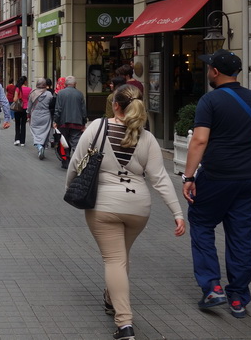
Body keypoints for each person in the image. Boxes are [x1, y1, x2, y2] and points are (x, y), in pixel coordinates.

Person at [66, 84, 185, 340]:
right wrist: (177, 212)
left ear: (115, 105)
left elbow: (76, 164)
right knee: (121, 257)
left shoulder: (97, 127)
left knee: (114, 260)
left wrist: (70, 188)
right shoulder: (147, 138)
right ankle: (111, 299)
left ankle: (125, 324)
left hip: (104, 205)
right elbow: (160, 178)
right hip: (138, 208)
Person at [182, 49, 251, 318]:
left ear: (215, 72)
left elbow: (200, 140)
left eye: (209, 68)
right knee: (241, 234)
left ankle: (212, 288)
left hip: (218, 175)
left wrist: (188, 177)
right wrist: (246, 141)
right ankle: (238, 297)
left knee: (201, 223)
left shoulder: (210, 101)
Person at [53, 75, 87, 168]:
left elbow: (58, 109)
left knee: (64, 142)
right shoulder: (79, 94)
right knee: (75, 142)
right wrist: (84, 122)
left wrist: (56, 121)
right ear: (75, 84)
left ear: (65, 84)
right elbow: (83, 110)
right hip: (77, 122)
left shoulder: (60, 93)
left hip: (63, 122)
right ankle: (77, 162)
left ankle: (66, 161)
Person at [27, 78, 53, 160]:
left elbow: (29, 106)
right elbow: (52, 105)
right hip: (46, 115)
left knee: (35, 132)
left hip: (35, 115)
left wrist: (28, 113)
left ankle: (39, 146)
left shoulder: (33, 93)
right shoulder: (49, 94)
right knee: (45, 131)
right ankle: (43, 147)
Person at [12, 76, 29, 146]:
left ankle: (17, 139)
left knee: (17, 124)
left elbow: (15, 99)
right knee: (23, 124)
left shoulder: (18, 89)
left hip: (18, 109)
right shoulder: (29, 89)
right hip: (25, 108)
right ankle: (22, 141)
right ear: (25, 81)